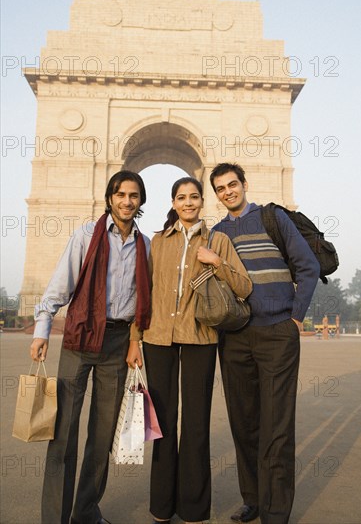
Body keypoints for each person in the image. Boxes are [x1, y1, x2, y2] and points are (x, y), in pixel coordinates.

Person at [126, 177, 252, 524]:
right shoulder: (157, 242)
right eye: (181, 197)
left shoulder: (219, 240)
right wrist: (134, 339)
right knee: (163, 424)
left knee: (196, 424)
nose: (188, 203)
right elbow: (143, 292)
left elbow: (243, 285)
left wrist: (215, 261)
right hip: (157, 339)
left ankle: (195, 509)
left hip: (201, 336)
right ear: (173, 202)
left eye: (194, 197)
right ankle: (162, 506)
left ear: (202, 201)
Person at [30, 170, 150, 524]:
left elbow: (144, 298)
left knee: (101, 437)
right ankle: (54, 517)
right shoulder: (86, 236)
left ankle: (85, 512)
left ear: (140, 201)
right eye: (121, 194)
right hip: (80, 337)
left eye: (134, 195)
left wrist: (135, 340)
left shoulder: (145, 245)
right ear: (110, 197)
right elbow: (61, 283)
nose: (127, 201)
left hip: (117, 343)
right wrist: (41, 329)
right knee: (63, 434)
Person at [209, 163, 320, 524]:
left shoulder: (273, 219)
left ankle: (275, 511)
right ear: (216, 194)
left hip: (277, 332)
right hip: (236, 337)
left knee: (276, 426)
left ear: (244, 184)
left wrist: (295, 318)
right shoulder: (216, 233)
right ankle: (253, 499)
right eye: (221, 188)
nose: (228, 192)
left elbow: (307, 266)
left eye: (232, 185)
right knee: (244, 423)